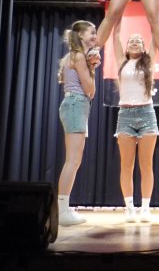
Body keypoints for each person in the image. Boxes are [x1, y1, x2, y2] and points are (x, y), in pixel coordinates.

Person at [111, 20, 159, 223]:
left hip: (147, 113)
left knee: (146, 165)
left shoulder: (148, 62)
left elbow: (156, 35)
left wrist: (153, 16)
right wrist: (118, 16)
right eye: (131, 40)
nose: (134, 42)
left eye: (139, 40)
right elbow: (115, 37)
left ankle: (145, 208)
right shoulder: (122, 62)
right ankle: (129, 208)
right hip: (125, 114)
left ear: (144, 47)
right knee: (127, 165)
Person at [57, 20, 100, 226]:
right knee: (72, 160)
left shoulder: (73, 56)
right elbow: (90, 89)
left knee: (73, 160)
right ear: (80, 35)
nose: (95, 36)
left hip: (75, 104)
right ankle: (62, 210)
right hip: (76, 103)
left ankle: (63, 207)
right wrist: (92, 68)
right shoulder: (79, 56)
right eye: (91, 32)